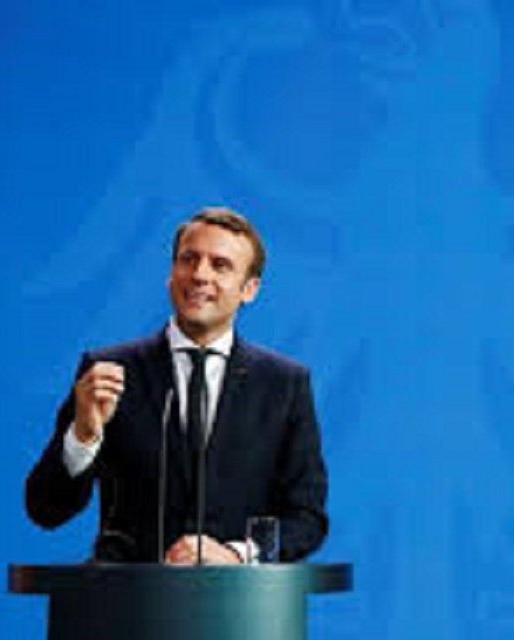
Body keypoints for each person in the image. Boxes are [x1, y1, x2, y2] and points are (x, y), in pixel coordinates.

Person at [26, 207, 328, 564]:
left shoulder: (284, 384)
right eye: (189, 259)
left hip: (240, 609)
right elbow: (46, 508)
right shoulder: (108, 372)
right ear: (172, 274)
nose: (199, 275)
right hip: (128, 607)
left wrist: (236, 554)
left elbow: (307, 519)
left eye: (220, 265)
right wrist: (83, 434)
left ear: (249, 289)